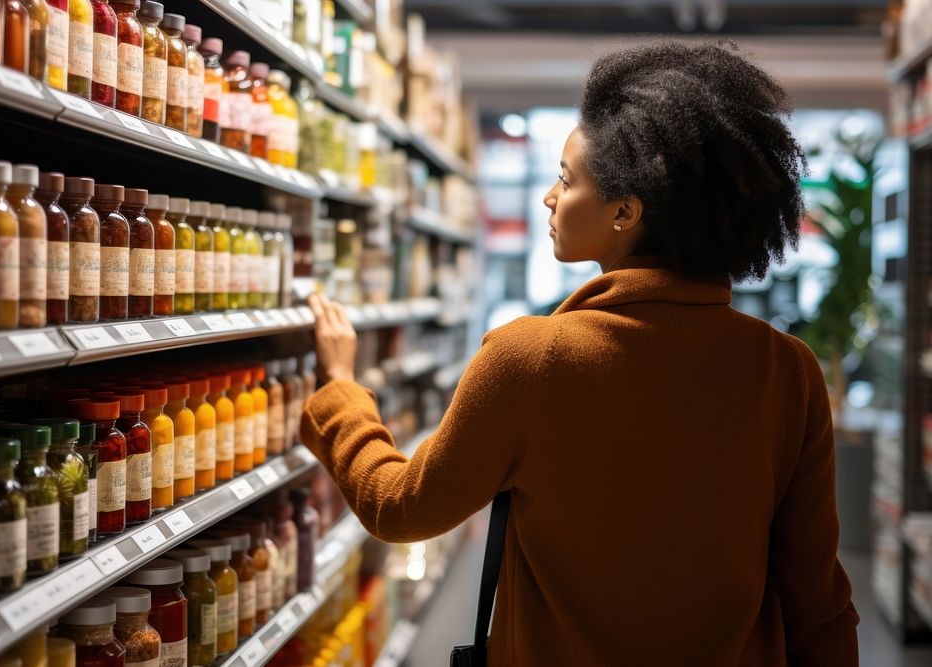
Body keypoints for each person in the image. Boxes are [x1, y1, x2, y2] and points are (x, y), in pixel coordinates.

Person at [302, 41, 859, 666]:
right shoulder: (786, 371)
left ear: (625, 211)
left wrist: (340, 392)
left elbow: (400, 506)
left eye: (566, 180)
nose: (548, 198)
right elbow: (818, 601)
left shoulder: (529, 359)